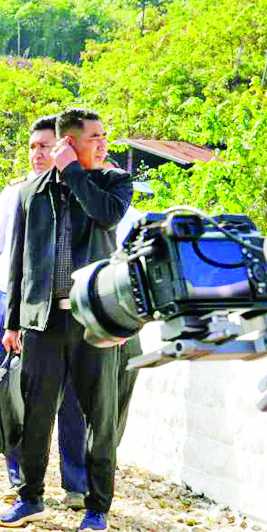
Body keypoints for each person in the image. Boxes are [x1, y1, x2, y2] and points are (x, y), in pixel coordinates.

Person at [0, 108, 132, 532]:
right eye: (95, 136)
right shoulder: (29, 192)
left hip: (94, 321)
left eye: (103, 135)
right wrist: (13, 321)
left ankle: (97, 507)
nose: (104, 143)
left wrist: (74, 171)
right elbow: (19, 261)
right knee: (34, 415)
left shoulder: (113, 182)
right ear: (70, 142)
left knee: (100, 416)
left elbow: (106, 215)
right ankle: (30, 498)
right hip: (42, 322)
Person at [0, 116, 89, 507]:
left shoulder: (83, 191)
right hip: (13, 305)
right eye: (32, 146)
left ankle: (76, 483)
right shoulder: (14, 194)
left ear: (65, 147)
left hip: (66, 308)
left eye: (45, 146)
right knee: (13, 393)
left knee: (73, 399)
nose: (37, 153)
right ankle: (19, 477)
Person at [112, 181, 155, 446]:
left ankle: (108, 451)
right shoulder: (84, 211)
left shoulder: (137, 221)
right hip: (91, 314)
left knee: (123, 380)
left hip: (126, 317)